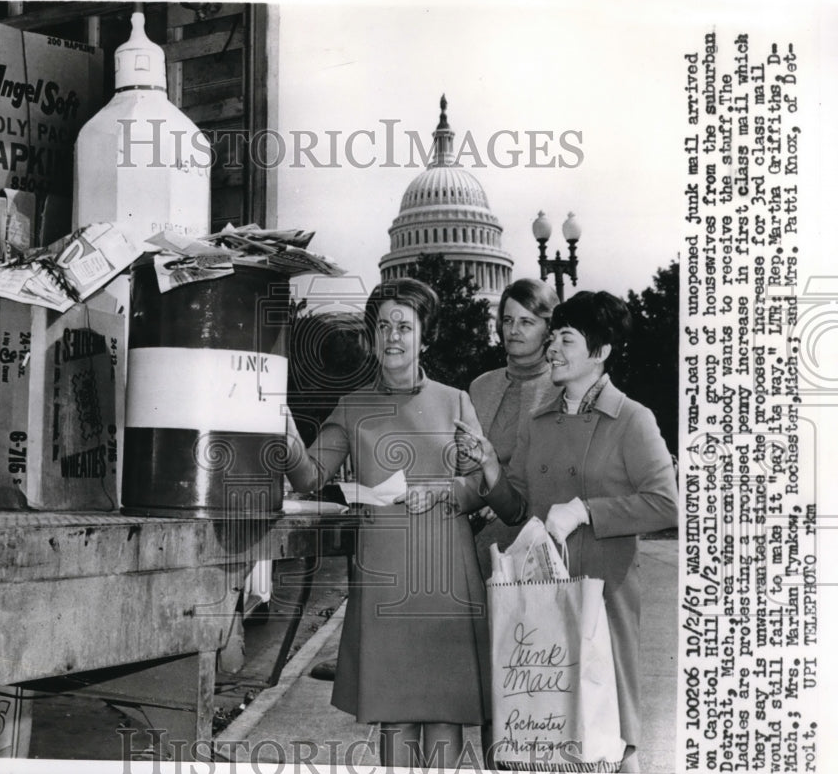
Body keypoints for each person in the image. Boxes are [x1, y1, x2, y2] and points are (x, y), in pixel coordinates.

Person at [285, 277, 521, 768]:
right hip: (385, 582)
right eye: (384, 326)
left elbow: (485, 488)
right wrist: (282, 433)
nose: (393, 336)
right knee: (395, 716)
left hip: (448, 577)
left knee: (445, 714)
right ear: (372, 337)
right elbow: (309, 478)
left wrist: (448, 488)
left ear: (423, 337)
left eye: (404, 326)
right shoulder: (352, 407)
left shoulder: (456, 400)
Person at [477, 290, 678, 773]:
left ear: (601, 352)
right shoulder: (538, 420)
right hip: (543, 596)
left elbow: (666, 504)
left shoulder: (632, 419)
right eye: (555, 339)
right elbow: (518, 506)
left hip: (604, 598)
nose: (553, 350)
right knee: (543, 728)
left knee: (608, 732)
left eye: (566, 340)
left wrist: (587, 510)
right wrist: (488, 471)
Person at [468, 278, 561, 580]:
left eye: (526, 322)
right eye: (508, 320)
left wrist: (504, 499)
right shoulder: (481, 386)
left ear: (549, 330)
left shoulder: (563, 390)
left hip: (536, 536)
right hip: (477, 524)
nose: (513, 330)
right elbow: (468, 462)